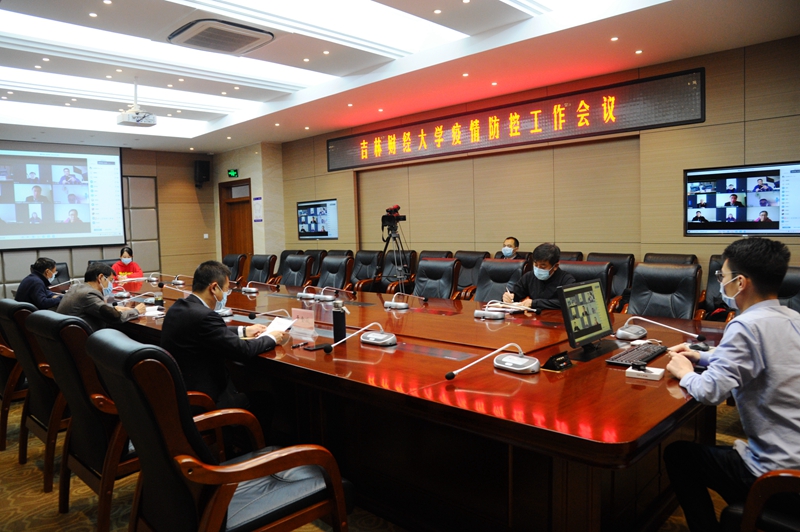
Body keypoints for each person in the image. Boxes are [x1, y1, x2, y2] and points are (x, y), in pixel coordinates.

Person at [664, 237, 800, 532]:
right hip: (795, 462)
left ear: (740, 283)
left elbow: (710, 391)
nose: (720, 283)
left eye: (722, 276)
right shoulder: (792, 318)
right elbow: (761, 359)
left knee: (679, 456)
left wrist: (685, 371)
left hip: (780, 481)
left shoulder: (745, 325)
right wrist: (701, 355)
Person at [160, 261, 290, 420]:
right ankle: (244, 436)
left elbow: (208, 332)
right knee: (265, 400)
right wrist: (271, 338)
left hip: (180, 395)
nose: (226, 295)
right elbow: (243, 350)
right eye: (227, 289)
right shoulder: (205, 316)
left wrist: (244, 330)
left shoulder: (178, 308)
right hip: (205, 402)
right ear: (214, 288)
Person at [56, 263, 144, 332]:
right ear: (101, 277)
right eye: (110, 280)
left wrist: (114, 308)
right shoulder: (89, 294)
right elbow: (115, 317)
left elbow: (96, 308)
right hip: (83, 343)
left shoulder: (76, 287)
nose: (111, 284)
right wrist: (136, 311)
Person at [502, 243, 575, 309]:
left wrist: (535, 303)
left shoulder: (566, 279)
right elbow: (515, 293)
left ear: (555, 266)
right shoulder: (529, 277)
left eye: (543, 266)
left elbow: (569, 302)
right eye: (536, 264)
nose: (538, 268)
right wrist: (509, 297)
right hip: (533, 317)